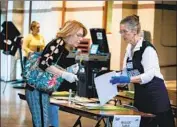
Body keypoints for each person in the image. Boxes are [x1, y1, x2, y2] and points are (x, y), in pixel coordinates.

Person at [110, 15, 175, 127]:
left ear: (134, 31)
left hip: (156, 97)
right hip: (141, 97)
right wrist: (116, 79)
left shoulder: (147, 49)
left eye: (124, 31)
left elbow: (148, 76)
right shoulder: (128, 51)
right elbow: (126, 73)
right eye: (121, 32)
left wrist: (128, 79)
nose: (122, 35)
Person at [25, 20, 87, 127]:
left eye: (82, 36)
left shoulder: (67, 48)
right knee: (42, 123)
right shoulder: (59, 43)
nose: (81, 39)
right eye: (79, 35)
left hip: (43, 89)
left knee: (43, 122)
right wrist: (64, 74)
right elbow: (44, 63)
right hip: (36, 89)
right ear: (69, 33)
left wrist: (70, 70)